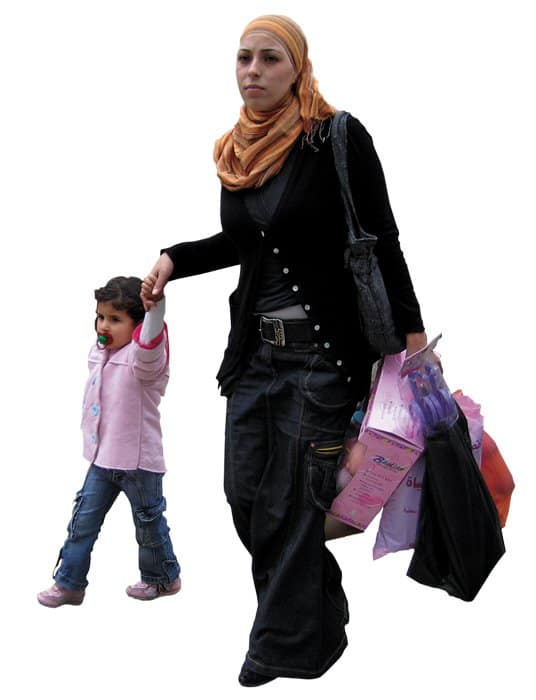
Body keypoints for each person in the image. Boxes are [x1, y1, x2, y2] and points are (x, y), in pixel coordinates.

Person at [144, 14, 427, 686]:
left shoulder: (336, 137)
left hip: (322, 361)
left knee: (294, 503)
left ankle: (284, 645)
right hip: (255, 358)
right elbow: (247, 243)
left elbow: (383, 238)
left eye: (270, 58)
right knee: (244, 495)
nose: (254, 70)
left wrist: (412, 345)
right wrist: (174, 258)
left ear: (297, 66)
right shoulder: (238, 150)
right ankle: (319, 608)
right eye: (244, 57)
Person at [37, 275, 181, 607]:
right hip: (102, 459)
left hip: (138, 464)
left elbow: (150, 340)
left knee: (148, 526)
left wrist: (155, 308)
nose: (104, 325)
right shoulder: (101, 353)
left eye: (115, 319)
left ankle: (163, 578)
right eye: (101, 316)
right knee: (82, 523)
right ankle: (69, 583)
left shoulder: (143, 360)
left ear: (137, 326)